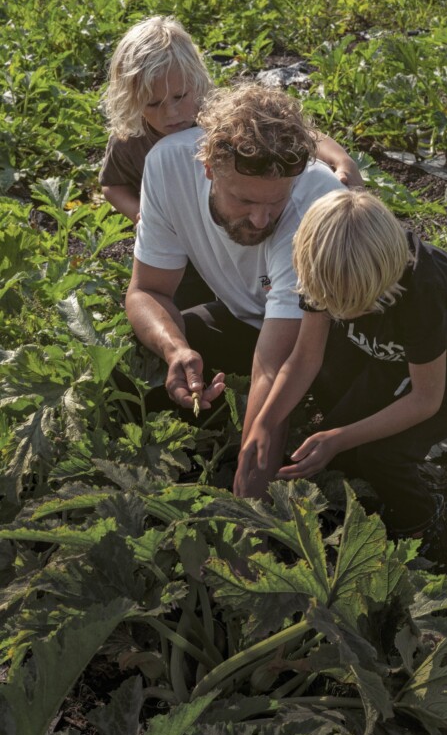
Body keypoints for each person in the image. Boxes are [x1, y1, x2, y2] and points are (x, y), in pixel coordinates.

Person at [235, 190, 447, 568]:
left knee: (383, 454)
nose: (342, 314)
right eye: (334, 307)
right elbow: (304, 358)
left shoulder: (424, 292)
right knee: (342, 438)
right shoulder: (325, 269)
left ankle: (421, 523)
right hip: (392, 351)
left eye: (356, 308)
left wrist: (337, 439)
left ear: (388, 278)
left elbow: (425, 399)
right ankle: (358, 490)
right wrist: (264, 424)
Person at [126, 83, 348, 498]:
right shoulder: (168, 165)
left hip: (331, 336)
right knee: (136, 368)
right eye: (245, 201)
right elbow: (147, 292)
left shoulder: (316, 207)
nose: (261, 220)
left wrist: (246, 513)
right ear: (209, 167)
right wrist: (175, 349)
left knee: (360, 459)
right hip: (250, 319)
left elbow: (276, 367)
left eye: (275, 203)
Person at [100, 15, 362, 307]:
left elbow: (286, 131)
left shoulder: (217, 115)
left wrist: (339, 158)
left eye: (179, 96)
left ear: (197, 82)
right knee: (179, 298)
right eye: (152, 104)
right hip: (181, 234)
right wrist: (142, 214)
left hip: (232, 230)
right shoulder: (130, 138)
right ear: (131, 100)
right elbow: (112, 186)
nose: (171, 113)